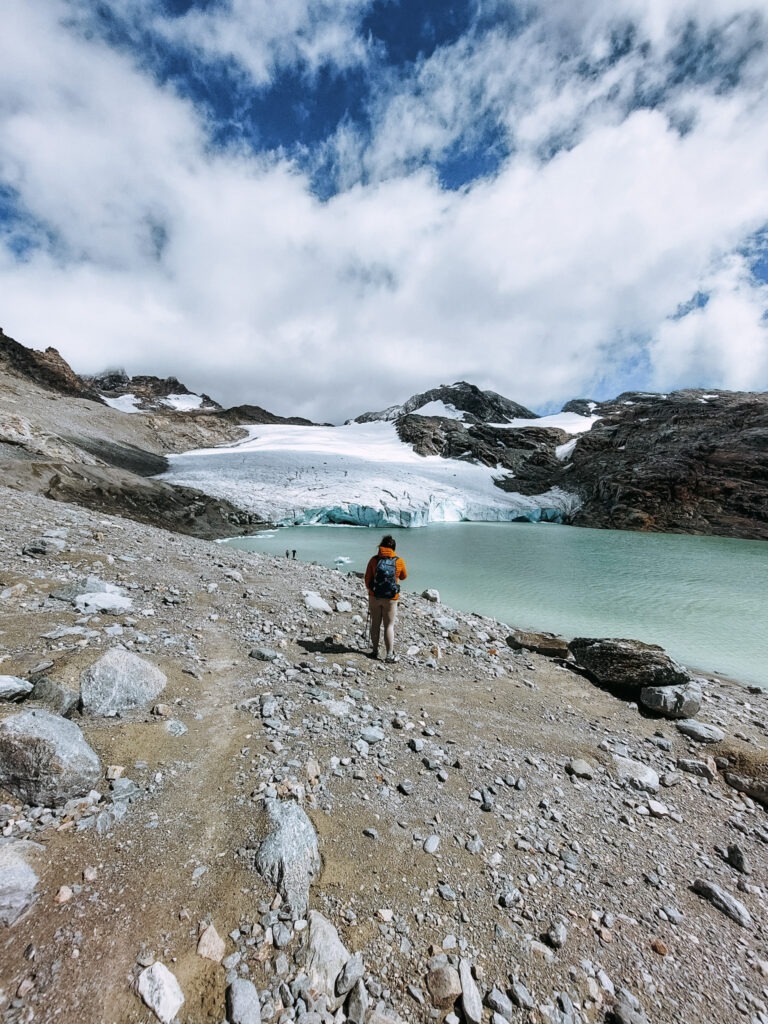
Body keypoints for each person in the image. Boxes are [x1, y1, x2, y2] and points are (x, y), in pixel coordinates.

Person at [364, 534, 407, 663]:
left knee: (375, 624)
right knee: (389, 626)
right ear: (394, 548)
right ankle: (389, 655)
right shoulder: (398, 561)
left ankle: (375, 651)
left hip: (375, 596)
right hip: (391, 598)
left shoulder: (374, 560)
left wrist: (372, 590)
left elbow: (367, 578)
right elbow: (404, 576)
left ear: (381, 546)